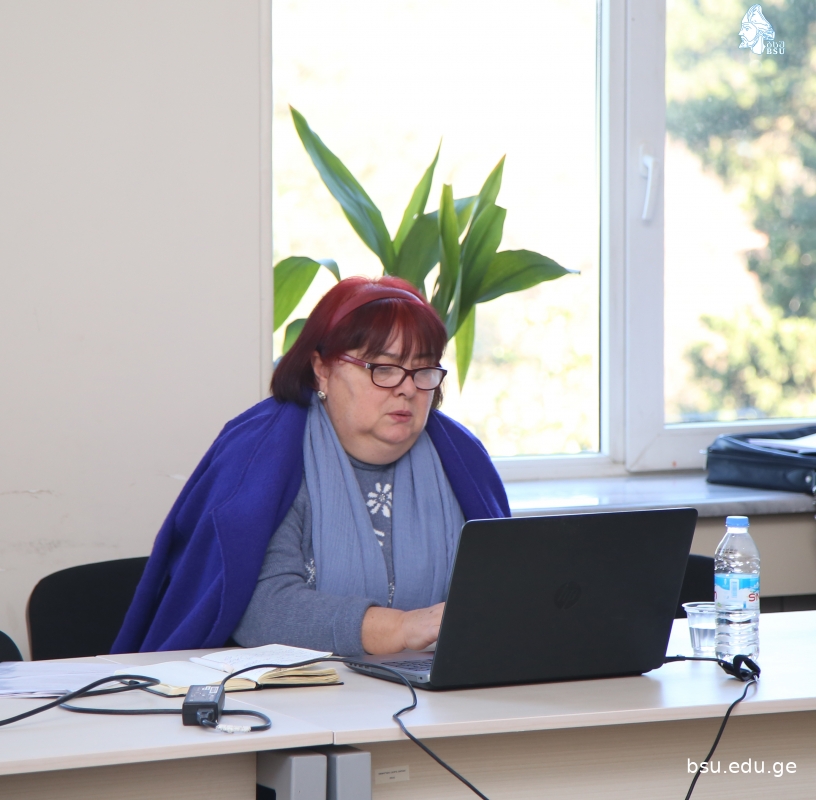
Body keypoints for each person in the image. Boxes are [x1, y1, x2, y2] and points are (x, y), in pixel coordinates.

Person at [113, 276, 509, 655]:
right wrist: (399, 629)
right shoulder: (265, 456)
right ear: (322, 369)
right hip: (290, 694)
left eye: (422, 370)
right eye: (383, 368)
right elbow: (257, 609)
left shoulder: (463, 458)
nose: (407, 388)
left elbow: (502, 593)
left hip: (433, 689)